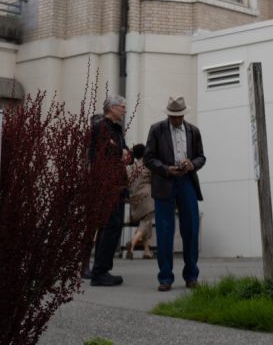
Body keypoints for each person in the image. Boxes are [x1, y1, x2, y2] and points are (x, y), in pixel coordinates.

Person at [144, 96, 206, 291]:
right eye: (173, 116)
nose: (176, 119)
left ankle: (191, 276)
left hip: (187, 182)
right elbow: (148, 158)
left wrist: (191, 164)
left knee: (191, 230)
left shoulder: (193, 131)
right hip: (164, 183)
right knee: (164, 231)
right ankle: (165, 278)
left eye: (179, 116)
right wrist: (166, 169)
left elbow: (201, 157)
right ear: (168, 114)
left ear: (184, 114)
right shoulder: (156, 129)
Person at [88, 95, 131, 286]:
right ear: (111, 108)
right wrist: (118, 153)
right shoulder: (100, 127)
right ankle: (100, 272)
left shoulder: (117, 129)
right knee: (110, 225)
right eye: (121, 106)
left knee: (114, 225)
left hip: (118, 183)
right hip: (106, 184)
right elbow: (99, 154)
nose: (124, 109)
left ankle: (103, 269)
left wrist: (126, 154)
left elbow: (124, 151)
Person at [125, 143, 155, 259]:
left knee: (145, 223)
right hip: (147, 197)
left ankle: (146, 251)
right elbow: (154, 180)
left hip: (134, 199)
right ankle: (132, 243)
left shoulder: (130, 168)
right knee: (146, 222)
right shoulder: (148, 165)